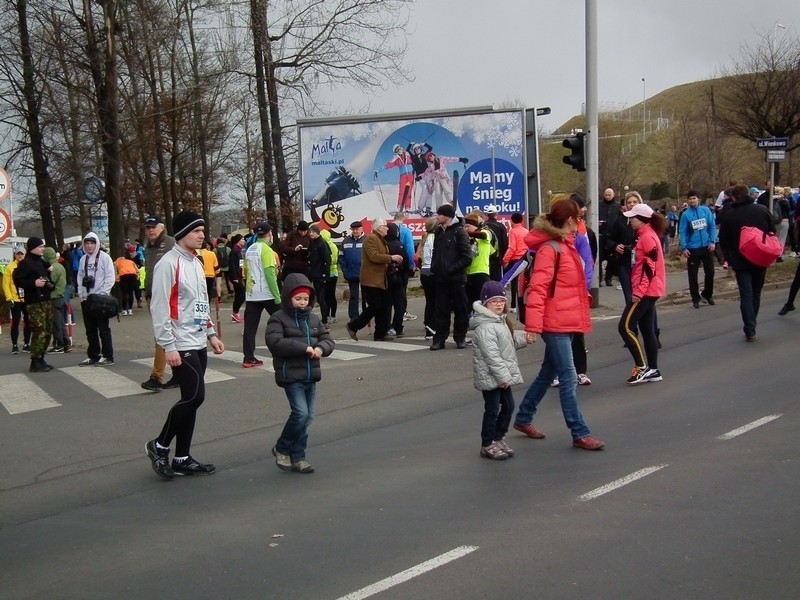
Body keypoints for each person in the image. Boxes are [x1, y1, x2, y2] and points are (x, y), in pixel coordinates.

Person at [511, 200, 603, 450]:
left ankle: (523, 417)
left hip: (566, 319)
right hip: (555, 323)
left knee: (548, 372)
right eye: (579, 217)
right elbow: (538, 290)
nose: (581, 221)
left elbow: (569, 286)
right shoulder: (551, 249)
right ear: (570, 220)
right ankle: (579, 432)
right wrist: (533, 326)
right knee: (568, 376)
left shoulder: (566, 245)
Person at [145, 211, 225, 480]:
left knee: (189, 401)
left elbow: (200, 302)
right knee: (194, 397)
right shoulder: (168, 264)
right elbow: (159, 308)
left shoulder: (196, 261)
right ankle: (158, 446)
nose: (202, 235)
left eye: (203, 230)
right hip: (179, 341)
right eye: (196, 231)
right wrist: (168, 346)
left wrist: (211, 334)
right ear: (181, 234)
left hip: (197, 340)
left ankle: (182, 457)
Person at [266, 274, 335, 474]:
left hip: (310, 374)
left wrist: (321, 348)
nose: (302, 303)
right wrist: (304, 348)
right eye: (298, 299)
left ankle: (298, 456)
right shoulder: (277, 318)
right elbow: (275, 343)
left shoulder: (313, 319)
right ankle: (282, 447)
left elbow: (327, 338)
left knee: (308, 417)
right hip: (291, 375)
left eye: (305, 299)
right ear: (289, 298)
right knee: (300, 414)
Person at [470, 280, 527, 460]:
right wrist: (504, 378)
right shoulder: (486, 327)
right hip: (491, 376)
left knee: (508, 406)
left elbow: (506, 345)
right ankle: (487, 444)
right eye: (494, 301)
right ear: (485, 303)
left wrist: (525, 339)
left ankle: (498, 437)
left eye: (501, 301)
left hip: (501, 376)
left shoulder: (500, 321)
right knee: (493, 409)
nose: (498, 304)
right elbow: (492, 356)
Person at [718, 184, 776, 341]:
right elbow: (772, 230)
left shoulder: (730, 214)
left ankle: (749, 328)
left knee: (746, 294)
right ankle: (752, 324)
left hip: (740, 258)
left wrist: (728, 256)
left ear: (734, 197)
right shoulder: (762, 210)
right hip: (760, 257)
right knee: (756, 292)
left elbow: (723, 239)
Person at [618, 203, 667, 384]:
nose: (630, 221)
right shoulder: (647, 235)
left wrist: (639, 292)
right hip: (650, 289)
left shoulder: (647, 237)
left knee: (625, 327)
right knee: (647, 329)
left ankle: (642, 367)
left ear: (642, 220)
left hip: (646, 290)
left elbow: (649, 268)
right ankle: (653, 369)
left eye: (633, 218)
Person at [345, 218, 403, 342]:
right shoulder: (371, 239)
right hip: (371, 280)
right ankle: (353, 326)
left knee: (385, 305)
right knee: (375, 305)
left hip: (380, 280)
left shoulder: (381, 240)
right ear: (379, 228)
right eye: (385, 226)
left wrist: (391, 265)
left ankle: (380, 333)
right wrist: (391, 258)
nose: (387, 228)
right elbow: (374, 256)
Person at [141, 215, 178, 391]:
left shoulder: (170, 243)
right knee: (168, 334)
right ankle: (179, 374)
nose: (150, 230)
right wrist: (146, 293)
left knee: (162, 334)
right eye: (148, 227)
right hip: (152, 295)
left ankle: (156, 377)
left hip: (167, 295)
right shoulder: (148, 247)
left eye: (153, 227)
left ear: (161, 227)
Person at [429, 204, 473, 350]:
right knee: (441, 309)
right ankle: (439, 339)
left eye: (439, 214)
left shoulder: (459, 232)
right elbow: (436, 252)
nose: (437, 216)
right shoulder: (438, 232)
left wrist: (451, 269)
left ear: (447, 216)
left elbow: (467, 257)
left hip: (456, 278)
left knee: (460, 308)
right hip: (440, 278)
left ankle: (460, 338)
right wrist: (434, 267)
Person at [12, 237, 56, 373]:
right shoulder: (26, 263)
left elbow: (47, 278)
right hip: (34, 302)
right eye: (40, 247)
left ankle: (41, 357)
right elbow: (18, 280)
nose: (43, 249)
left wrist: (48, 272)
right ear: (33, 248)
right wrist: (34, 284)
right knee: (39, 330)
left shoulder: (41, 262)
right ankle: (35, 360)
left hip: (46, 300)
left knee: (48, 330)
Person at [241, 222, 281, 367]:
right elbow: (270, 274)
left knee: (250, 328)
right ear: (270, 234)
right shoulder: (267, 250)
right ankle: (290, 351)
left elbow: (245, 271)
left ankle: (248, 357)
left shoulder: (250, 248)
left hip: (252, 294)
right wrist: (277, 296)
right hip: (267, 293)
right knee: (285, 321)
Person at [77, 232, 116, 367]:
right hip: (87, 299)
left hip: (100, 299)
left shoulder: (105, 258)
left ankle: (108, 355)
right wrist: (82, 295)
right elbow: (80, 277)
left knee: (103, 328)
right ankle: (93, 355)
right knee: (90, 329)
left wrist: (104, 293)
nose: (89, 246)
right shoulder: (83, 259)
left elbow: (110, 277)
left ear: (97, 244)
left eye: (92, 243)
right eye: (87, 243)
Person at [678, 189, 717, 309]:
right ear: (687, 201)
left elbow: (712, 226)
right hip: (693, 248)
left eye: (694, 198)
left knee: (710, 272)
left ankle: (707, 294)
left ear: (698, 199)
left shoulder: (705, 211)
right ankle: (695, 298)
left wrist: (712, 241)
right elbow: (682, 231)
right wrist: (684, 247)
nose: (692, 200)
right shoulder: (686, 215)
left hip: (706, 246)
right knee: (693, 275)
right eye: (690, 199)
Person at [463, 211, 493, 309]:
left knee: (483, 303)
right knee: (469, 304)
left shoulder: (485, 232)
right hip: (468, 273)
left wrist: (468, 233)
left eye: (468, 226)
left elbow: (483, 236)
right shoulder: (467, 238)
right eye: (465, 226)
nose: (466, 228)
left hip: (481, 273)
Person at [4, 248, 31, 354]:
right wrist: (9, 297)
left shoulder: (28, 266)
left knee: (28, 321)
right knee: (15, 322)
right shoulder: (10, 267)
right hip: (15, 299)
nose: (20, 256)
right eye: (18, 254)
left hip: (27, 298)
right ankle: (14, 345)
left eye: (22, 254)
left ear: (25, 255)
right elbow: (6, 284)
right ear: (15, 255)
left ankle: (26, 344)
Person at [43, 246, 70, 353]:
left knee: (56, 322)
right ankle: (66, 343)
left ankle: (59, 344)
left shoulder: (52, 267)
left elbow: (50, 281)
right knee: (61, 321)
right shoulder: (60, 266)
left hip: (54, 296)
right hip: (61, 295)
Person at [385, 222, 410, 337]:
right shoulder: (400, 244)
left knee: (387, 303)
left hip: (385, 277)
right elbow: (406, 261)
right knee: (399, 303)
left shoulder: (383, 244)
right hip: (398, 276)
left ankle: (387, 326)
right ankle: (398, 327)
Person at [415, 217, 438, 339]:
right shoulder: (436, 238)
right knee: (437, 300)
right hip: (434, 270)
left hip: (424, 271)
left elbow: (417, 257)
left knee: (429, 301)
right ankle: (432, 326)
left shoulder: (424, 238)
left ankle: (428, 325)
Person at [502, 212, 528, 312]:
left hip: (515, 259)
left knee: (510, 281)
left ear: (512, 220)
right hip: (525, 259)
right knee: (522, 283)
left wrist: (505, 260)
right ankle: (521, 305)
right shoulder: (526, 231)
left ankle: (513, 305)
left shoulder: (513, 231)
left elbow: (512, 248)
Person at [340, 221, 365, 321]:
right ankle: (354, 317)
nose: (355, 231)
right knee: (354, 296)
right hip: (351, 273)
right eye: (353, 229)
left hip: (365, 274)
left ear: (361, 229)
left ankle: (366, 316)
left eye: (357, 229)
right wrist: (345, 271)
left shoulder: (367, 240)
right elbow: (341, 258)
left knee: (366, 296)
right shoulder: (345, 241)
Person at [307, 224, 332, 326]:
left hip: (320, 274)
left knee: (322, 298)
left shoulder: (322, 244)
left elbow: (327, 260)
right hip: (313, 273)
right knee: (315, 297)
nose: (311, 234)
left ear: (318, 232)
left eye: (313, 232)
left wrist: (325, 275)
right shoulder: (312, 243)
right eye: (310, 232)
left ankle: (325, 319)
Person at [598, 187, 622, 287]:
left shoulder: (617, 206)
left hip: (612, 236)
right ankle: (598, 279)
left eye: (609, 195)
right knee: (599, 258)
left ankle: (609, 278)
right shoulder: (599, 205)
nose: (607, 196)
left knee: (611, 259)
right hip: (601, 235)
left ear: (613, 195)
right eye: (606, 194)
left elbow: (620, 219)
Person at [484, 206, 509, 282]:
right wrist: (503, 259)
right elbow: (505, 244)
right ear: (496, 214)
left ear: (487, 215)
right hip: (497, 259)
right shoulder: (501, 226)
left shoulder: (483, 226)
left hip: (485, 258)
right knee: (496, 282)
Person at [320, 228, 339, 324]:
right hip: (334, 272)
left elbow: (328, 260)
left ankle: (328, 316)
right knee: (331, 295)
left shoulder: (324, 246)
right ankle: (332, 315)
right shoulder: (334, 246)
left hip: (329, 273)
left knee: (327, 296)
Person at [114, 251, 140, 316]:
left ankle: (124, 310)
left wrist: (116, 277)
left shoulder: (117, 262)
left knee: (124, 293)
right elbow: (137, 270)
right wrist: (137, 276)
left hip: (123, 276)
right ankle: (130, 310)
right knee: (130, 293)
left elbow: (114, 270)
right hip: (132, 275)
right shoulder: (131, 261)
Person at [228, 234, 246, 323]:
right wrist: (234, 276)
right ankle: (235, 312)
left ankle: (235, 313)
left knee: (239, 295)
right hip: (235, 277)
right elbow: (232, 265)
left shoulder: (239, 251)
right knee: (242, 294)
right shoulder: (234, 251)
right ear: (238, 240)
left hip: (239, 276)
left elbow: (240, 264)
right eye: (242, 239)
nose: (244, 240)